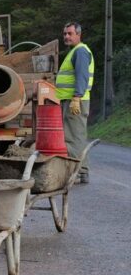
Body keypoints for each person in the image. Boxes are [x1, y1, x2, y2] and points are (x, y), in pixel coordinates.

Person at [56, 22, 94, 184]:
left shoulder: (80, 52)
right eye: (65, 34)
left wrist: (76, 98)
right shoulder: (75, 52)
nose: (66, 36)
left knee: (74, 137)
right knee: (73, 135)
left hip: (75, 101)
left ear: (79, 34)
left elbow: (82, 77)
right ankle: (80, 171)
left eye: (70, 33)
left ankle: (79, 172)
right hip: (70, 101)